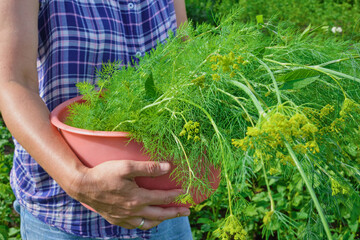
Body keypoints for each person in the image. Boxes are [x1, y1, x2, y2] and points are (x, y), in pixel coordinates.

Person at [0, 0, 192, 239]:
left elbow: (185, 52)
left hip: (163, 204)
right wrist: (79, 181)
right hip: (68, 215)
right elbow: (12, 82)